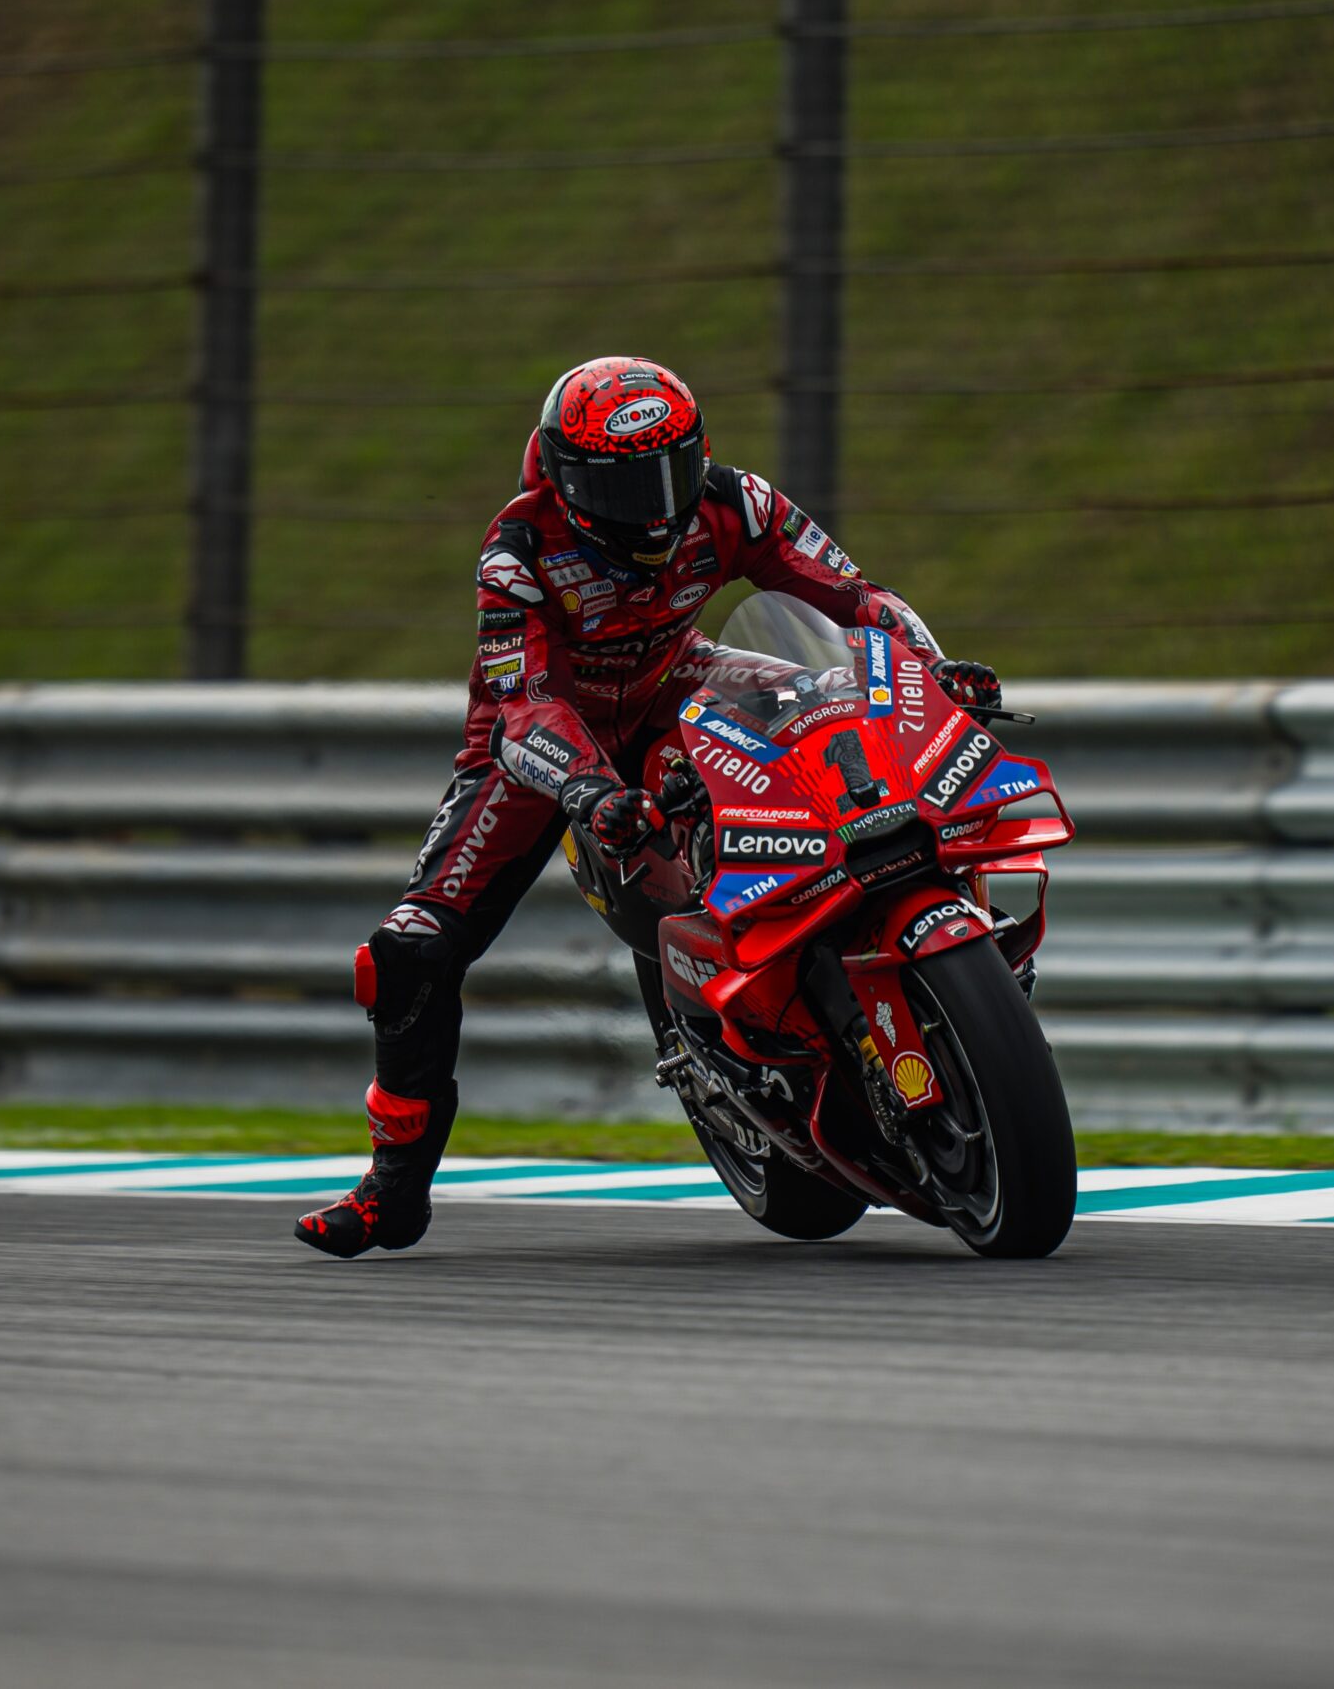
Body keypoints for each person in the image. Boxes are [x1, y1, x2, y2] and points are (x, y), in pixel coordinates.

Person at [294, 356, 1001, 1258]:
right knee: (405, 951)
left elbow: (854, 597)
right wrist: (586, 787)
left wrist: (931, 668)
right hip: (544, 742)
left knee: (836, 711)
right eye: (625, 484)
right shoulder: (519, 551)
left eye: (670, 472)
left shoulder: (734, 501)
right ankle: (394, 1187)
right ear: (564, 478)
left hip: (680, 684)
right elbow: (523, 702)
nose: (655, 505)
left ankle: (874, 949)